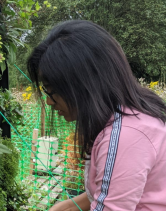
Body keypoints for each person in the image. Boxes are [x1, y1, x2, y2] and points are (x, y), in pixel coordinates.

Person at [27, 20, 166, 211]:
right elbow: (106, 194)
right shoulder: (126, 118)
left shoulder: (125, 135)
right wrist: (62, 207)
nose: (49, 102)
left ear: (83, 84)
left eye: (52, 90)